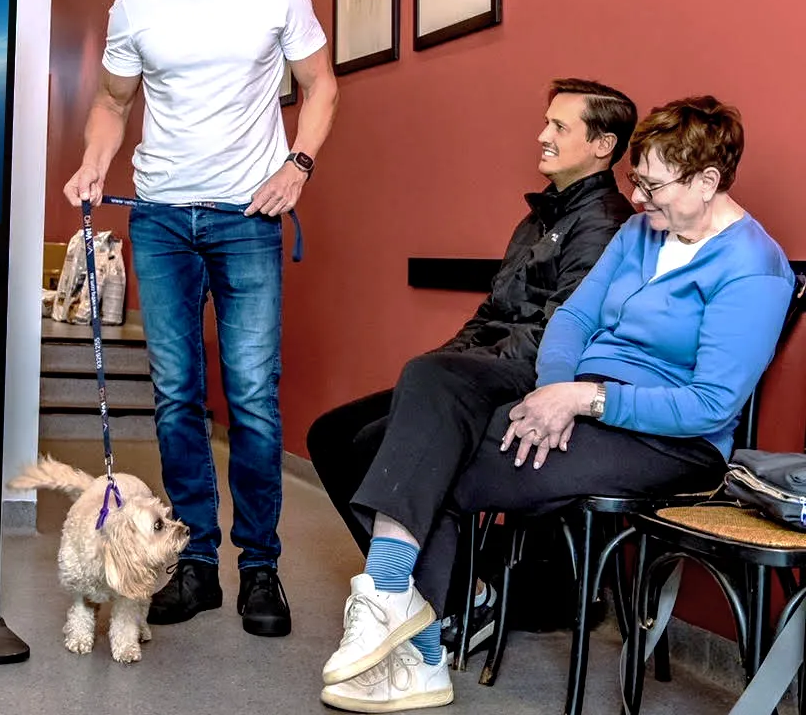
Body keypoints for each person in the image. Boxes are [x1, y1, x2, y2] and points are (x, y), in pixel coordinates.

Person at [318, 96, 795, 713]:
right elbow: (572, 318)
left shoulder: (754, 267)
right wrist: (553, 391)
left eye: (652, 184)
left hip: (667, 439)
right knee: (432, 379)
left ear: (708, 181)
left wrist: (586, 399)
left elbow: (707, 404)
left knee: (427, 455)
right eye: (636, 180)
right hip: (573, 396)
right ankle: (394, 604)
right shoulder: (640, 232)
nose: (641, 199)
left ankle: (418, 646)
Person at [62, 0, 340, 638]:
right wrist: (93, 161)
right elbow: (114, 103)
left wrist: (299, 165)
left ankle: (260, 571)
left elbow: (321, 84)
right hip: (159, 217)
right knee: (178, 398)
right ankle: (192, 567)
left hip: (247, 215)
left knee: (252, 400)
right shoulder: (135, 2)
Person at [307, 78, 637, 591]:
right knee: (330, 434)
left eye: (559, 126)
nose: (541, 135)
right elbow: (491, 311)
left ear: (602, 145)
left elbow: (561, 332)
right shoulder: (540, 216)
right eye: (545, 121)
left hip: (534, 375)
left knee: (375, 439)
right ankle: (447, 587)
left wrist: (458, 370)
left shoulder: (606, 222)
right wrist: (446, 362)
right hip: (485, 369)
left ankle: (441, 596)